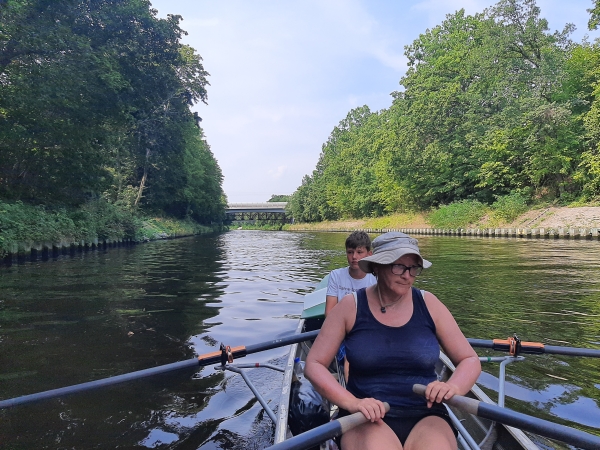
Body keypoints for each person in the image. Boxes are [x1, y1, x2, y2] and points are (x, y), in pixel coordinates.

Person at [305, 232, 481, 450]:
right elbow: (314, 365)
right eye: (399, 267)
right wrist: (353, 403)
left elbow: (469, 359)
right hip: (366, 414)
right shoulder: (350, 307)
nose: (407, 275)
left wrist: (452, 386)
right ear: (377, 268)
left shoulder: (430, 304)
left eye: (413, 268)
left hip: (425, 412)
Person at [325, 231, 377, 316]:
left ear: (369, 254)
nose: (354, 257)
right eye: (350, 252)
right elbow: (329, 313)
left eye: (359, 252)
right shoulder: (335, 275)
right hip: (341, 324)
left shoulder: (376, 279)